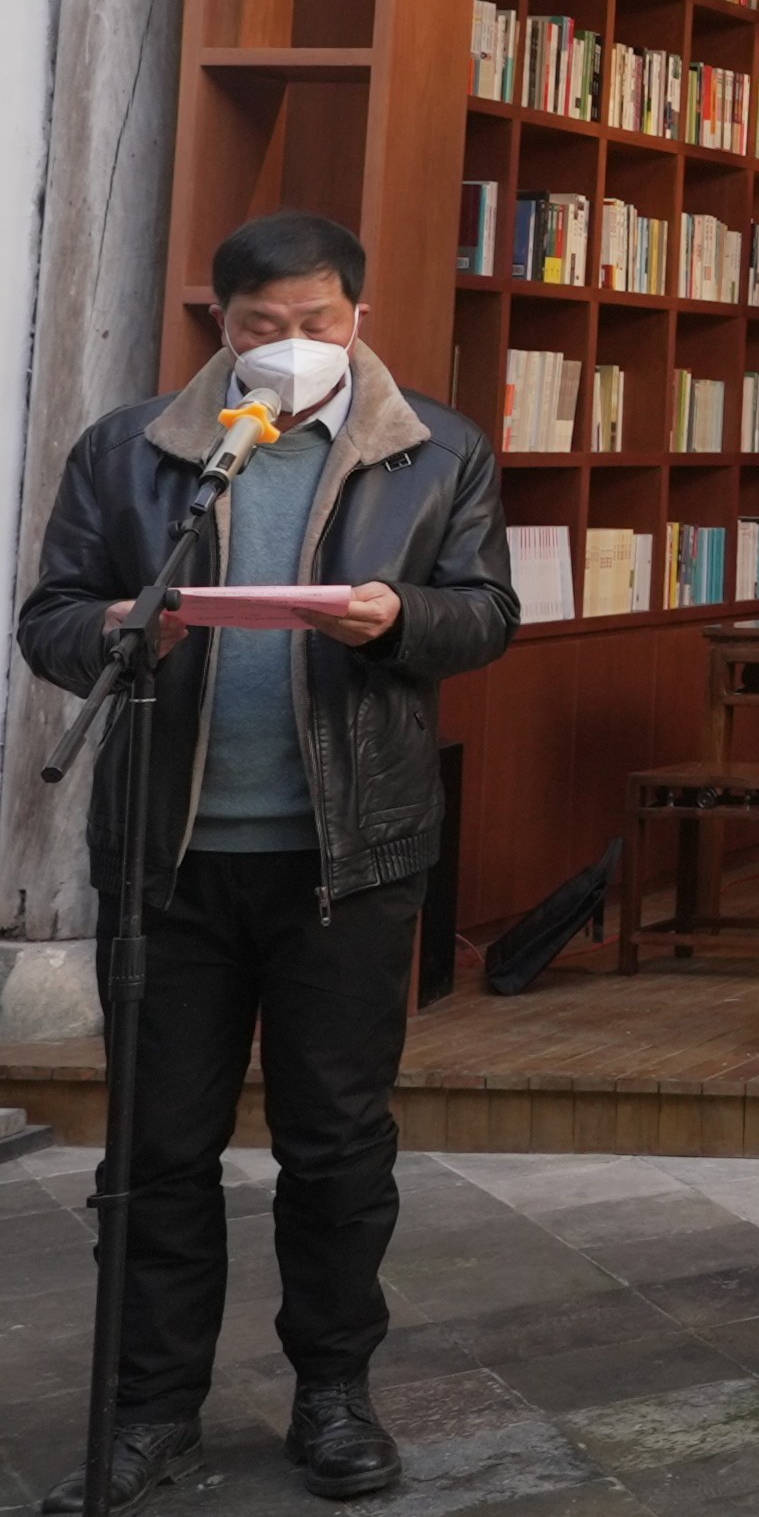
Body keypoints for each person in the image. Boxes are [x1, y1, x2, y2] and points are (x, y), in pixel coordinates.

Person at [17, 210, 516, 1513]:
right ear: (221, 326)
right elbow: (50, 615)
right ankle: (149, 1409)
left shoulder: (435, 448)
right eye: (262, 326)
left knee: (338, 1143)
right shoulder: (134, 450)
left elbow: (486, 613)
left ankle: (334, 1393)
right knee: (155, 1146)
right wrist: (120, 628)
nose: (291, 345)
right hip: (168, 861)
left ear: (359, 317)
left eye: (317, 322)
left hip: (347, 859)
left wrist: (399, 618)